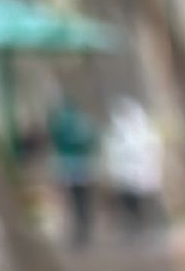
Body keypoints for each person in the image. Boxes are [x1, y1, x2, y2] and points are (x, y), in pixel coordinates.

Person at [101, 97, 162, 235]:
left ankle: (147, 222)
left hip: (141, 170)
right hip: (124, 172)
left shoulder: (145, 132)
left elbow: (152, 150)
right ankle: (133, 223)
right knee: (128, 199)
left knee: (143, 198)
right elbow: (113, 152)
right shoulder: (117, 132)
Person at [47, 96, 100, 247]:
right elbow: (92, 140)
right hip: (81, 165)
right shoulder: (82, 122)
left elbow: (56, 140)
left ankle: (81, 229)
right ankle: (84, 227)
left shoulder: (62, 124)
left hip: (70, 166)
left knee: (75, 198)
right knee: (83, 198)